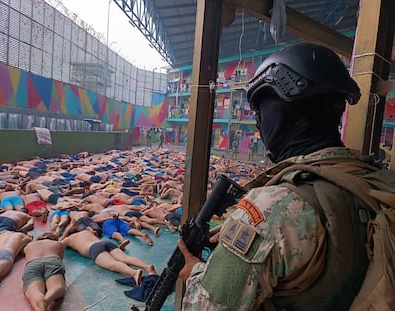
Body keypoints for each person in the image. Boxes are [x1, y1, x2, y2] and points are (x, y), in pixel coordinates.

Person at [177, 43, 372, 310]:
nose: (259, 123)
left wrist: (195, 274)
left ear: (279, 113)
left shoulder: (272, 207)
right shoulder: (366, 178)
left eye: (261, 111)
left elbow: (207, 306)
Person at [60, 218, 157, 286]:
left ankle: (134, 272)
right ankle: (147, 267)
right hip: (105, 243)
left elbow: (59, 243)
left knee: (112, 264)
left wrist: (68, 229)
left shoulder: (69, 239)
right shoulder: (85, 231)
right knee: (125, 258)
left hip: (93, 249)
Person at [22, 232, 66, 311]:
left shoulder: (29, 246)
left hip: (33, 262)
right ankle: (47, 300)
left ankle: (40, 306)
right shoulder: (58, 244)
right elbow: (60, 257)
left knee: (35, 291)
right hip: (52, 260)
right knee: (57, 287)